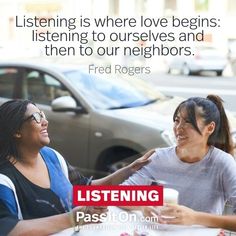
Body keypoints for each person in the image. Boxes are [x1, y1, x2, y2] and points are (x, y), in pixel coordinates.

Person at [0, 99, 153, 235]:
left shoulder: (52, 156)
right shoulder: (4, 179)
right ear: (16, 131)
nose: (45, 121)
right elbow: (8, 229)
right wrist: (72, 219)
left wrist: (129, 170)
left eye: (43, 115)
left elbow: (85, 189)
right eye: (37, 117)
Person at [121, 95, 236, 231]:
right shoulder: (159, 157)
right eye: (177, 120)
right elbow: (118, 195)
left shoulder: (222, 162)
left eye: (188, 122)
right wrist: (143, 205)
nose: (179, 128)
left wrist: (195, 217)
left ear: (209, 128)